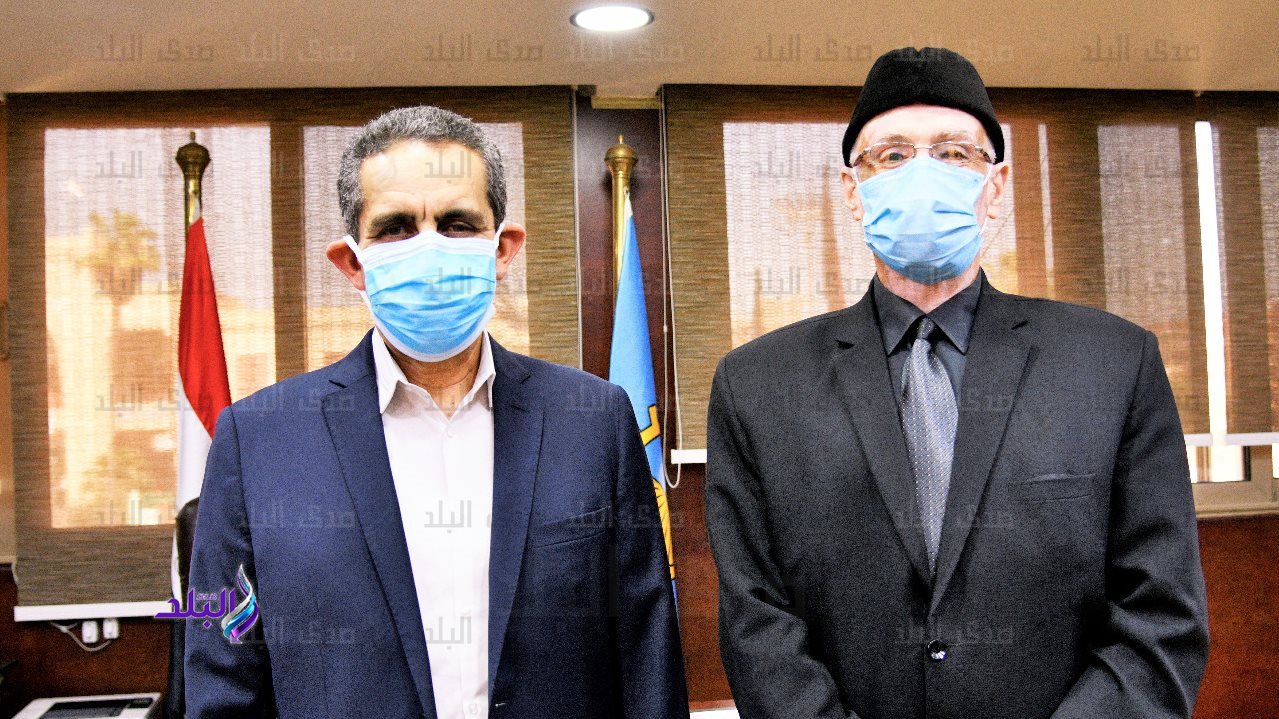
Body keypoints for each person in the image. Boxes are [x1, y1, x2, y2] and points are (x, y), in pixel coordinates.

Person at [705, 47, 1209, 719]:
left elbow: (1159, 614)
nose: (922, 175)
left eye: (952, 154)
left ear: (994, 187)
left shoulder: (1113, 363)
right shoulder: (757, 385)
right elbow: (756, 621)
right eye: (891, 155)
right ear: (852, 192)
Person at [185, 105, 688, 719]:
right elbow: (224, 678)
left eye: (457, 224)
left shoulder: (593, 421)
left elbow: (647, 656)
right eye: (396, 228)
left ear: (502, 249)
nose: (429, 248)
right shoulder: (258, 441)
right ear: (352, 263)